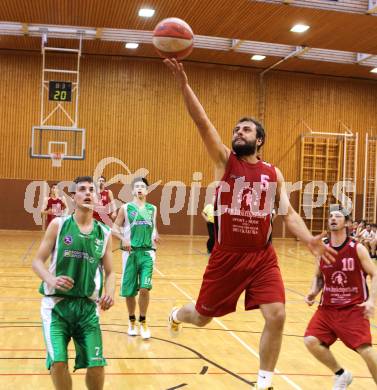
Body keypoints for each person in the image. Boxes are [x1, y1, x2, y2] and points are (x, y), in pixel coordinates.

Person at [163, 58, 336, 390]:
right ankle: (175, 315)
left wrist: (308, 240)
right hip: (227, 257)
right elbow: (201, 122)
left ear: (259, 140)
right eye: (235, 130)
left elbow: (288, 213)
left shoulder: (273, 173)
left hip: (261, 257)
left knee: (278, 315)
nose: (237, 132)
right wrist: (184, 85)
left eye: (245, 129)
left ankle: (264, 381)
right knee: (201, 317)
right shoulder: (225, 162)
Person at [32, 176, 115, 390]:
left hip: (87, 308)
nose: (88, 193)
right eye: (82, 189)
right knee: (59, 363)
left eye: (91, 190)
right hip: (56, 307)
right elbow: (37, 262)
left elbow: (110, 272)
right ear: (74, 196)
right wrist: (52, 279)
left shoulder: (104, 234)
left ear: (97, 197)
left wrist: (110, 293)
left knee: (97, 365)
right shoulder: (59, 225)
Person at [304, 207, 377, 389]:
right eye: (331, 216)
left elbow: (374, 274)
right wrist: (313, 292)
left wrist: (371, 301)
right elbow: (318, 277)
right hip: (327, 309)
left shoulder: (357, 248)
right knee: (311, 341)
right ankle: (342, 374)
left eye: (338, 216)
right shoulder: (323, 249)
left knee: (366, 351)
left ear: (348, 223)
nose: (333, 218)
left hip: (353, 309)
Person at [112, 177, 159, 340]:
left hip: (148, 253)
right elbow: (114, 228)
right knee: (130, 291)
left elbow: (154, 228)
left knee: (145, 288)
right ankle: (132, 320)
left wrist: (156, 236)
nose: (139, 188)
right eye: (137, 186)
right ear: (132, 191)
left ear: (146, 191)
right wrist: (123, 239)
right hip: (130, 254)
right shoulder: (125, 208)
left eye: (142, 186)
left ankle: (143, 320)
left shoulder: (153, 209)